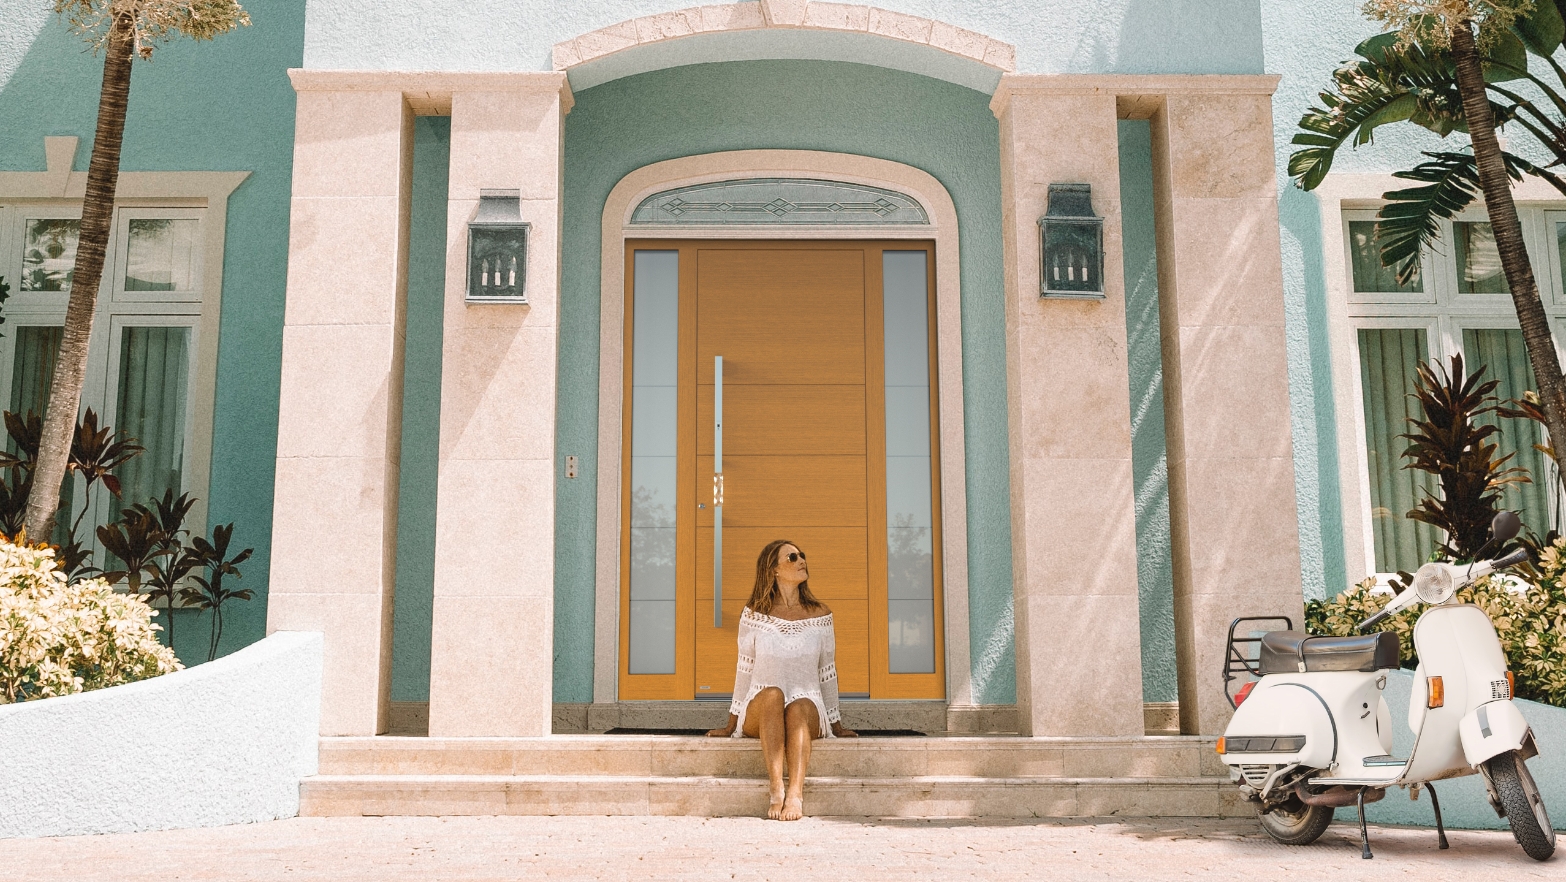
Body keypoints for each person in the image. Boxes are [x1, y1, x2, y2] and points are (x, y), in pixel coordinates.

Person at [706, 539, 857, 819]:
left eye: (802, 555)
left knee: (798, 705)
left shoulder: (821, 615)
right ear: (773, 569)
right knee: (773, 694)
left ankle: (795, 795)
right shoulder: (754, 615)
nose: (801, 560)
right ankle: (777, 790)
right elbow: (745, 669)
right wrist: (730, 725)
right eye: (792, 557)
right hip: (761, 706)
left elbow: (827, 672)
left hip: (807, 706)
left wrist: (836, 723)